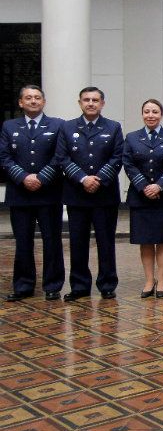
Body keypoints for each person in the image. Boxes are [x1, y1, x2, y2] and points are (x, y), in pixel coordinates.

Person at [57, 86, 124, 301]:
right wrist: (83, 179)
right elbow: (62, 158)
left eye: (95, 100)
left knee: (106, 242)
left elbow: (117, 157)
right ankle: (79, 285)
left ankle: (107, 284)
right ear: (80, 103)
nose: (91, 103)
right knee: (77, 242)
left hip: (104, 196)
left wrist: (99, 179)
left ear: (102, 104)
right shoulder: (67, 128)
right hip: (77, 195)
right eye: (86, 100)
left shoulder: (113, 127)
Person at [0, 85, 65, 301]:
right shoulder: (9, 126)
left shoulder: (57, 125)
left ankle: (53, 285)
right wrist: (24, 177)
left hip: (49, 193)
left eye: (37, 98)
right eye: (28, 98)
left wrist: (41, 177)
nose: (33, 101)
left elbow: (60, 156)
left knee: (52, 240)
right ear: (20, 102)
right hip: (20, 194)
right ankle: (23, 286)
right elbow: (5, 157)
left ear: (44, 102)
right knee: (23, 241)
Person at [123, 99, 163, 299]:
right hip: (141, 198)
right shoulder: (131, 138)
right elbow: (128, 164)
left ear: (161, 114)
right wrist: (144, 186)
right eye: (146, 111)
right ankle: (149, 280)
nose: (150, 115)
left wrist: (159, 185)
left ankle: (162, 280)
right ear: (142, 114)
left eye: (155, 111)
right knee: (145, 241)